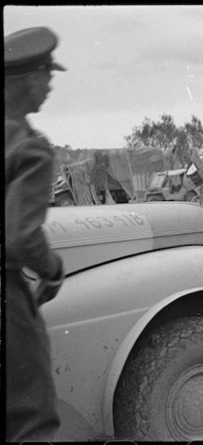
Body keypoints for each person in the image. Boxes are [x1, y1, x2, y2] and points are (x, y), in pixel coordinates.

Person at [5, 26, 67, 442]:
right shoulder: (29, 147)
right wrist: (53, 269)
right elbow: (22, 237)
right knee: (32, 419)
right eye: (47, 75)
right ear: (30, 80)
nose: (48, 85)